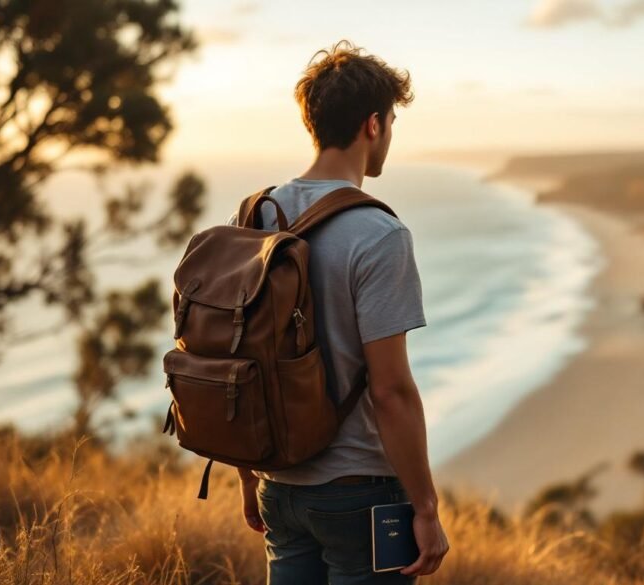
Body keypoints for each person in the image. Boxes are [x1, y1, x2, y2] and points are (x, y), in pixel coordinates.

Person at [230, 39, 449, 584]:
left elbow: (235, 357)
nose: (390, 137)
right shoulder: (380, 234)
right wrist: (424, 507)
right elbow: (391, 390)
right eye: (393, 122)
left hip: (277, 482)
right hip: (361, 494)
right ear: (373, 125)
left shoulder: (256, 216)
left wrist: (247, 477)